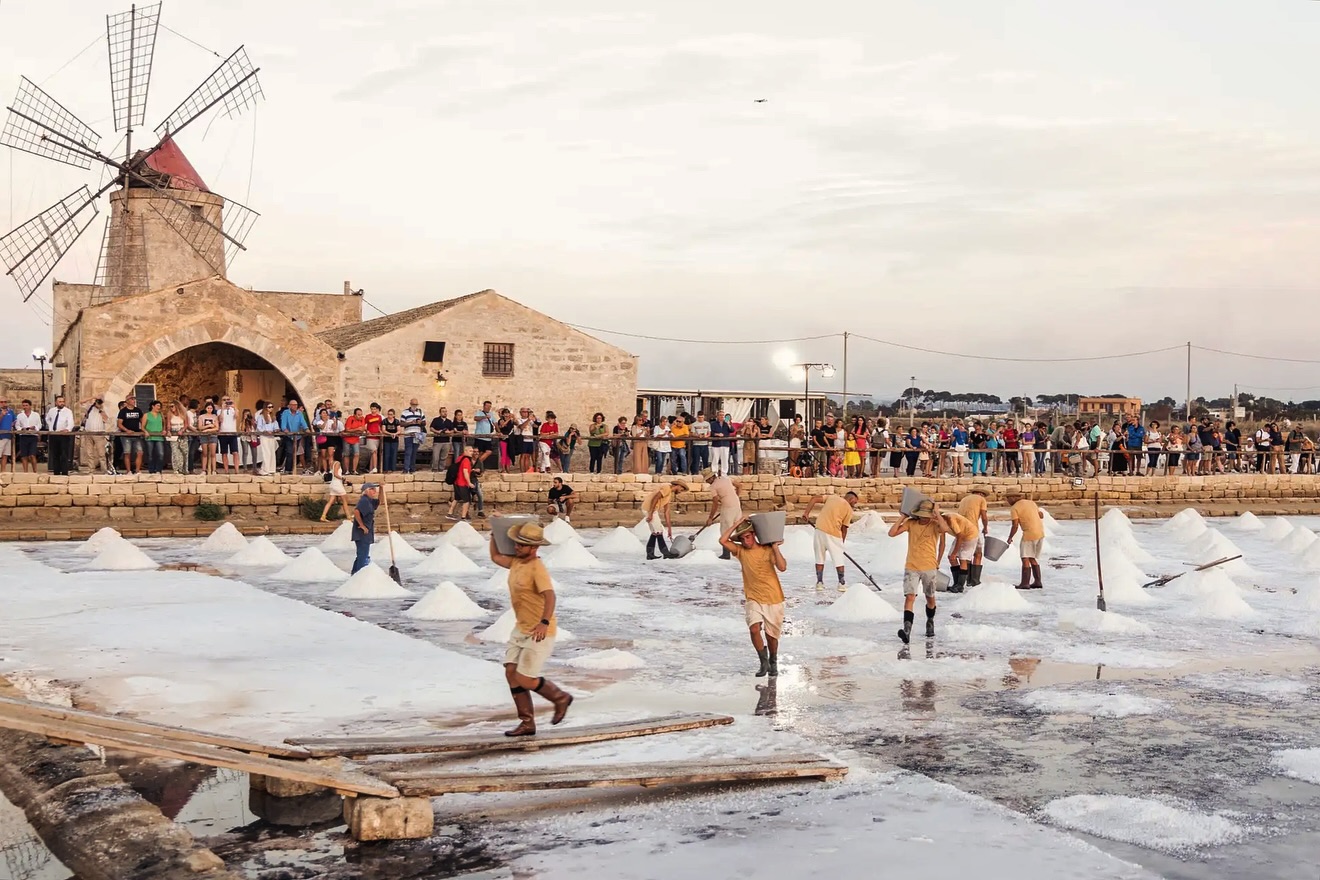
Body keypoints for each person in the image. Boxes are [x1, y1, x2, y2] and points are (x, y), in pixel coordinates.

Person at [489, 522, 573, 737]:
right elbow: (497, 557)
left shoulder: (537, 568)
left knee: (525, 678)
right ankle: (527, 723)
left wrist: (544, 622)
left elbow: (550, 596)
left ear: (534, 548)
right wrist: (494, 533)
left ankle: (560, 697)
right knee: (511, 673)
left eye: (522, 545)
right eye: (517, 543)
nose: (516, 547)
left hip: (539, 630)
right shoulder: (517, 562)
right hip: (521, 628)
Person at [720, 517, 787, 678]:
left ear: (754, 535)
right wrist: (736, 524)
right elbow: (722, 540)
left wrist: (775, 547)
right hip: (753, 597)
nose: (745, 541)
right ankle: (763, 662)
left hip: (773, 598)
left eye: (747, 537)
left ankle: (773, 661)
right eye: (742, 539)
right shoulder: (741, 552)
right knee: (754, 628)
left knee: (772, 638)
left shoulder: (767, 550)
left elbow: (782, 567)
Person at [888, 499, 949, 643]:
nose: (924, 518)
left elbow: (945, 529)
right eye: (921, 515)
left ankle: (930, 621)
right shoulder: (911, 523)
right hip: (912, 566)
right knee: (910, 597)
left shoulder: (935, 525)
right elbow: (892, 533)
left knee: (930, 597)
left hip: (929, 567)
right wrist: (902, 517)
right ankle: (907, 630)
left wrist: (937, 513)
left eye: (926, 515)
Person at [801, 491, 857, 592]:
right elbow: (844, 529)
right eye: (855, 502)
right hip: (833, 533)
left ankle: (819, 583)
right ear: (851, 499)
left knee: (819, 557)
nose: (854, 505)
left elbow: (814, 498)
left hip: (819, 530)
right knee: (838, 559)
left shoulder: (832, 497)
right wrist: (841, 544)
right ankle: (841, 583)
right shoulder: (849, 509)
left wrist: (806, 513)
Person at [1006, 492, 1046, 590]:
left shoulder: (1014, 508)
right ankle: (1037, 581)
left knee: (1025, 558)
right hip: (1040, 533)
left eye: (1008, 498)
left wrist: (1010, 537)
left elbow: (1015, 525)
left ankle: (1025, 583)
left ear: (1014, 497)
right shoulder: (1031, 503)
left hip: (1029, 534)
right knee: (1032, 557)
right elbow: (1041, 515)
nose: (1007, 501)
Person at [702, 467, 742, 560]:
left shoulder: (713, 487)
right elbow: (739, 486)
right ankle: (743, 551)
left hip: (727, 508)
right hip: (736, 504)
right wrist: (735, 496)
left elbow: (715, 503)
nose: (707, 482)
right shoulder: (726, 478)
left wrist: (710, 518)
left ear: (711, 477)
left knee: (725, 531)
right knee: (739, 528)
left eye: (707, 479)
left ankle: (726, 554)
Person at [642, 480, 688, 560]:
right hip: (649, 509)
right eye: (681, 489)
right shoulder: (667, 488)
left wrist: (669, 529)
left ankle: (650, 554)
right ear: (678, 486)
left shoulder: (669, 494)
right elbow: (655, 498)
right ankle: (666, 553)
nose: (681, 491)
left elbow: (666, 512)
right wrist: (651, 513)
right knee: (658, 531)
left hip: (651, 510)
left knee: (655, 532)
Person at [955, 486, 990, 586]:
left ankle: (967, 579)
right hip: (973, 529)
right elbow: (984, 515)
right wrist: (985, 527)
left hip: (961, 528)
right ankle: (974, 580)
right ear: (981, 494)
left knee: (966, 555)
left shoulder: (964, 499)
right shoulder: (981, 499)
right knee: (977, 554)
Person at [943, 508, 980, 593]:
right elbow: (942, 542)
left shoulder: (950, 519)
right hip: (960, 536)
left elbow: (960, 536)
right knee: (951, 557)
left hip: (970, 535)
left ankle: (960, 586)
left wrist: (955, 553)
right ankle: (956, 583)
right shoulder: (939, 523)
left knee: (963, 558)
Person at [350, 483, 381, 574]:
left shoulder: (369, 501)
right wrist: (362, 525)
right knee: (363, 556)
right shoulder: (364, 501)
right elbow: (356, 511)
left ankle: (354, 574)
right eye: (372, 489)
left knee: (361, 555)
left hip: (366, 533)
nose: (374, 491)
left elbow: (379, 502)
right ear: (366, 490)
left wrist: (382, 489)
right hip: (361, 533)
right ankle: (359, 575)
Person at [45, 395, 75, 475]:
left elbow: (71, 422)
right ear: (56, 402)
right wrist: (51, 426)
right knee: (55, 454)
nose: (62, 403)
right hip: (54, 434)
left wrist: (67, 429)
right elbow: (47, 419)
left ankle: (64, 472)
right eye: (60, 402)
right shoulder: (52, 410)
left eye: (63, 401)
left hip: (63, 435)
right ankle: (56, 472)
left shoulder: (68, 411)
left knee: (64, 454)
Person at [280, 399, 310, 475]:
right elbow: (283, 425)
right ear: (289, 406)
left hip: (298, 436)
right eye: (293, 405)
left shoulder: (299, 413)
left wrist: (306, 429)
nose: (295, 406)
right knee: (290, 452)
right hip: (289, 436)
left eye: (296, 405)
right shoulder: (285, 413)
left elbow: (303, 423)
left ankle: (292, 469)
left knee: (295, 453)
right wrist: (286, 430)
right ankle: (288, 470)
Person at [116, 394, 145, 474]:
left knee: (140, 452)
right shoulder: (123, 411)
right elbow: (119, 424)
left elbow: (142, 421)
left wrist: (143, 430)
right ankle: (128, 471)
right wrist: (126, 430)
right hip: (126, 435)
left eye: (134, 399)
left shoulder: (138, 410)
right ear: (127, 401)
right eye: (132, 399)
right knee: (127, 452)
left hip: (136, 434)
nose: (133, 401)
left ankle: (137, 470)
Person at [447, 445, 476, 521]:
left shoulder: (460, 458)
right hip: (462, 483)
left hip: (456, 482)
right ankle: (463, 517)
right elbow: (465, 472)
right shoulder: (466, 460)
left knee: (457, 498)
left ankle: (450, 513)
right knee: (467, 501)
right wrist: (469, 483)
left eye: (472, 451)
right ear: (465, 451)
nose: (472, 453)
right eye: (470, 451)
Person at [320, 457, 350, 522]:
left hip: (333, 484)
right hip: (337, 484)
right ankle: (349, 516)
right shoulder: (338, 463)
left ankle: (323, 516)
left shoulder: (331, 463)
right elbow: (336, 474)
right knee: (345, 501)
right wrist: (343, 478)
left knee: (330, 501)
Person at [15, 400, 41, 473]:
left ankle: (35, 472)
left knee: (32, 455)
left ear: (30, 406)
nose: (25, 407)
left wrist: (34, 427)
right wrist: (21, 429)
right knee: (24, 455)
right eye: (23, 405)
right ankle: (25, 472)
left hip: (33, 436)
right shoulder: (20, 416)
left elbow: (39, 425)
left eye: (26, 405)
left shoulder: (36, 415)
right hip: (23, 436)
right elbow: (17, 425)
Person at [400, 398, 426, 474]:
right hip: (408, 434)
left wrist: (420, 422)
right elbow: (401, 423)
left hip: (417, 435)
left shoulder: (420, 412)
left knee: (414, 452)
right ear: (410, 404)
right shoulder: (405, 412)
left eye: (416, 404)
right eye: (413, 404)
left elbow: (424, 423)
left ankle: (412, 468)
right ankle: (406, 469)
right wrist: (410, 423)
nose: (414, 406)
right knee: (408, 452)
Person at [142, 400, 167, 474]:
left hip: (159, 437)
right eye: (157, 406)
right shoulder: (146, 415)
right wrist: (146, 431)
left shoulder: (161, 415)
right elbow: (143, 427)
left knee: (161, 454)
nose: (159, 408)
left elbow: (163, 424)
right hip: (150, 437)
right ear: (153, 406)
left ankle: (158, 470)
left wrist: (164, 430)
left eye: (160, 406)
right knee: (150, 454)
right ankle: (151, 470)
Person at [217, 396, 239, 474]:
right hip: (223, 433)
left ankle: (236, 470)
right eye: (224, 400)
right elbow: (220, 420)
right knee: (224, 453)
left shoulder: (233, 410)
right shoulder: (219, 411)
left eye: (228, 400)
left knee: (235, 452)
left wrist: (234, 406)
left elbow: (236, 416)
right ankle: (226, 470)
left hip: (232, 433)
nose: (226, 401)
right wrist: (223, 409)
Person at [429, 407, 454, 471]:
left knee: (444, 457)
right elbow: (431, 428)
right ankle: (434, 469)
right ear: (440, 413)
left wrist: (448, 432)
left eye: (446, 411)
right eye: (443, 411)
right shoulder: (436, 420)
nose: (445, 413)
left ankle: (441, 469)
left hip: (446, 441)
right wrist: (438, 431)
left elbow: (452, 430)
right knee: (435, 457)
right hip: (437, 441)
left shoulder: (449, 421)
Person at [0, 398, 15, 472]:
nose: (3, 403)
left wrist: (13, 424)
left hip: (8, 436)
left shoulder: (11, 411)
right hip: (0, 437)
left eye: (5, 402)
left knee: (5, 455)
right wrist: (2, 415)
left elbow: (14, 420)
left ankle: (3, 472)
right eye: (1, 402)